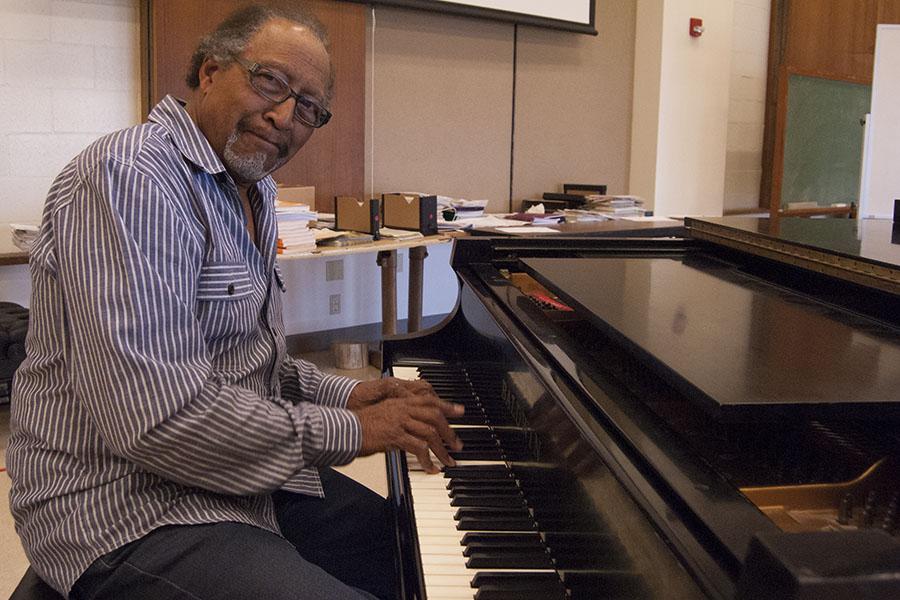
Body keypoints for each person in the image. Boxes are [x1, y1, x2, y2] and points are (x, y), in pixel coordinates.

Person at [7, 4, 462, 599]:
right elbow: (159, 417)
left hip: (235, 480)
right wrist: (353, 428)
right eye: (270, 80)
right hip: (125, 506)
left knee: (411, 555)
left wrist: (350, 390)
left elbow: (244, 361)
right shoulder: (131, 177)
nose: (282, 115)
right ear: (208, 71)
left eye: (307, 108)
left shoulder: (251, 188)